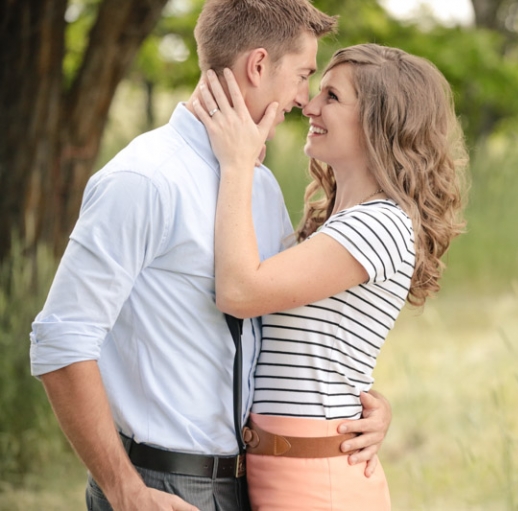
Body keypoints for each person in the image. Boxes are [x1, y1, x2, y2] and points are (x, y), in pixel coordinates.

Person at [29, 2, 392, 511]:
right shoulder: (144, 178)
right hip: (161, 485)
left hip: (249, 482)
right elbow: (61, 339)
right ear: (258, 66)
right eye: (303, 75)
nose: (304, 99)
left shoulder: (259, 187)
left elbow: (282, 326)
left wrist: (365, 405)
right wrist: (124, 489)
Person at [194, 43, 467, 509]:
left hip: (317, 482)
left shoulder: (379, 223)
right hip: (288, 470)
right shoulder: (337, 223)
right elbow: (326, 349)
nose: (309, 106)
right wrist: (371, 401)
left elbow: (239, 292)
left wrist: (237, 164)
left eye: (332, 97)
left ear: (379, 122)